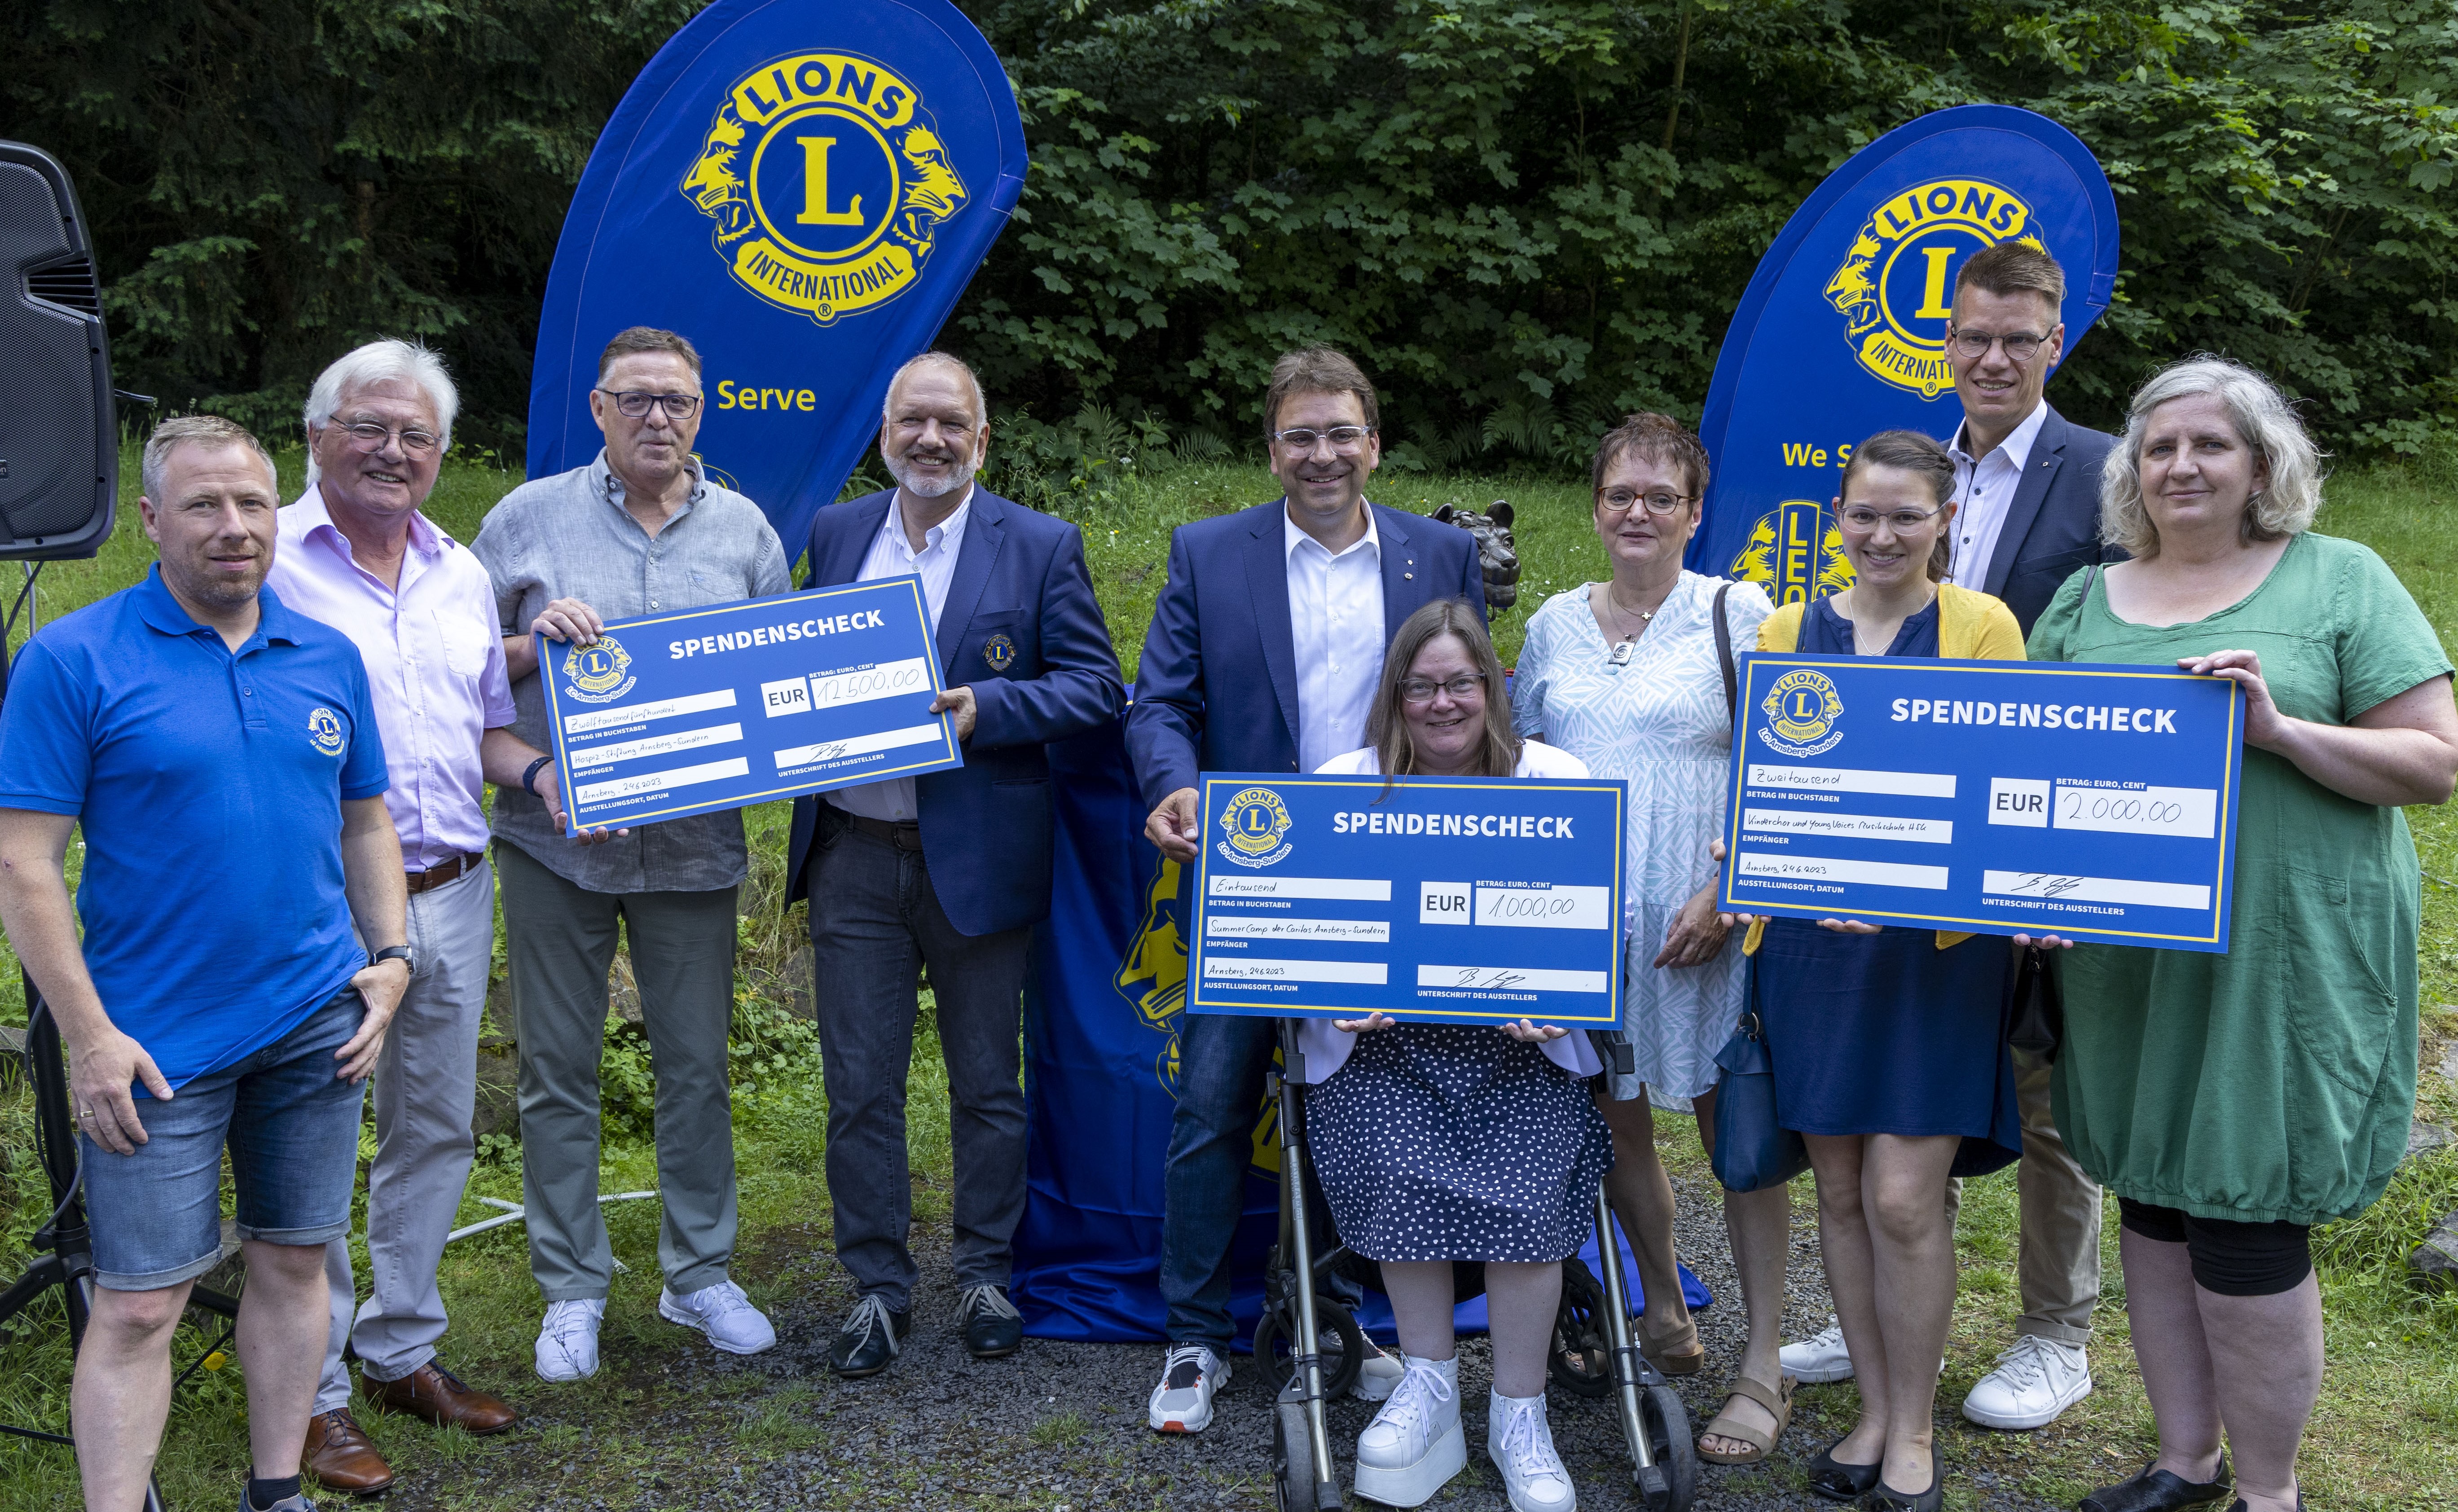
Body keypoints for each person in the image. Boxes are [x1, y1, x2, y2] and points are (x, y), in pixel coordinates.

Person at [2029, 358, 2456, 1512]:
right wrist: (2029, 893)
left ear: (2261, 465)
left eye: (2208, 444)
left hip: (2282, 952)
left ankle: (2269, 1491)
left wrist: (2276, 731)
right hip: (2130, 965)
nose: (2179, 465)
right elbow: (2026, 778)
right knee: (2156, 1199)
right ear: (2130, 469)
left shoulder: (2339, 581)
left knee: (2246, 1215)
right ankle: (2185, 1461)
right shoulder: (2083, 600)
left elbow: (2434, 761)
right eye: (2157, 447)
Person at [0, 417, 412, 1512]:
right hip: (150, 1046)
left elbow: (365, 821)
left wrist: (393, 956)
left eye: (253, 505)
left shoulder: (326, 654)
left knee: (293, 1258)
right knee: (139, 1302)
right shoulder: (73, 658)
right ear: (149, 519)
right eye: (204, 506)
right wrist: (88, 1036)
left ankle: (276, 1490)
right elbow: (24, 862)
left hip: (317, 1024)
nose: (235, 529)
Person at [1783, 239, 2121, 1433]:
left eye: (2014, 339)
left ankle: (2052, 1334)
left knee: (2041, 1094)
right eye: (1971, 335)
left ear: (2052, 345)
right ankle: (1870, 1306)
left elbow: (2118, 656)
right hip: (1879, 844)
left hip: (2024, 826)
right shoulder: (1921, 471)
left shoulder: (2103, 473)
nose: (1990, 356)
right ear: (1947, 340)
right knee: (1893, 1118)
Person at [269, 340, 613, 1490]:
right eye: (369, 426)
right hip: (313, 904)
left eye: (416, 435)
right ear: (316, 433)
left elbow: (480, 730)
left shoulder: (458, 568)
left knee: (435, 1129)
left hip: (454, 890)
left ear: (441, 454)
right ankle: (309, 1396)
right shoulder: (256, 554)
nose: (392, 451)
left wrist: (542, 778)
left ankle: (398, 1349)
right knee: (311, 1144)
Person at [1126, 345, 1483, 1433]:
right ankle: (1194, 1336)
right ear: (1269, 447)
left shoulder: (1439, 553)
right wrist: (1175, 787)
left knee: (1351, 1098)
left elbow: (1466, 700)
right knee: (1214, 1103)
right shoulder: (1207, 552)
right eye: (1298, 435)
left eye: (1340, 433)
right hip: (1250, 872)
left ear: (1373, 443)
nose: (1320, 454)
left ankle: (1333, 1316)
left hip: (1386, 873)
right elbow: (1158, 705)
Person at [785, 352, 1124, 1377]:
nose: (928, 439)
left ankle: (983, 1269)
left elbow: (1097, 688)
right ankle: (877, 1286)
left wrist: (991, 711)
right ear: (883, 432)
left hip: (979, 858)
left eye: (951, 424)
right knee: (859, 1086)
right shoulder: (838, 533)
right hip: (852, 854)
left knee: (987, 1084)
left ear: (982, 439)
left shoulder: (1040, 543)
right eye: (910, 421)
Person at [474, 326, 791, 1381]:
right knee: (557, 1072)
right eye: (636, 399)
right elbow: (460, 678)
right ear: (600, 410)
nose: (658, 417)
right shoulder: (526, 519)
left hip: (696, 850)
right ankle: (572, 1288)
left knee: (695, 1068)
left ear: (701, 414)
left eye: (677, 402)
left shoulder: (745, 531)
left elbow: (779, 686)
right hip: (552, 842)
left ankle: (696, 1271)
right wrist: (533, 644)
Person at [1735, 431, 2026, 1512]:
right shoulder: (1781, 628)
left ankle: (1911, 1425)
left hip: (1929, 954)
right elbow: (1766, 786)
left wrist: (1901, 881)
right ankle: (1867, 1407)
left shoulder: (1981, 626)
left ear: (1942, 520)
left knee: (1907, 1198)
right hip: (1808, 949)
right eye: (1864, 513)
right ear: (1838, 516)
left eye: (1905, 515)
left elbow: (1998, 788)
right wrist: (1744, 844)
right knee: (1845, 1198)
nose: (1882, 534)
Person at [1508, 412, 1786, 1464]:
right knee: (1617, 1127)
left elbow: (1782, 765)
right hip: (1587, 933)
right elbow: (1525, 764)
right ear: (1593, 506)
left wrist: (1725, 886)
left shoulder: (1739, 612)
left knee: (1738, 1146)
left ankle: (1762, 1365)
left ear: (1694, 512)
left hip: (1703, 924)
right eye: (1620, 493)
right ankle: (1665, 1308)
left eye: (1659, 497)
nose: (1637, 511)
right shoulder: (1548, 626)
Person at [1296, 599, 1607, 1512]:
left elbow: (1599, 924)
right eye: (1420, 686)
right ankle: (1428, 1381)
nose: (1441, 703)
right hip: (1384, 1051)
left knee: (1525, 1180)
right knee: (1392, 1162)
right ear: (1396, 694)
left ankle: (1519, 1410)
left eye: (1459, 683)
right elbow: (1309, 930)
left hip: (1523, 1052)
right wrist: (1331, 989)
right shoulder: (1344, 782)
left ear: (1491, 689)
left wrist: (1556, 1005)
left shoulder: (1554, 779)